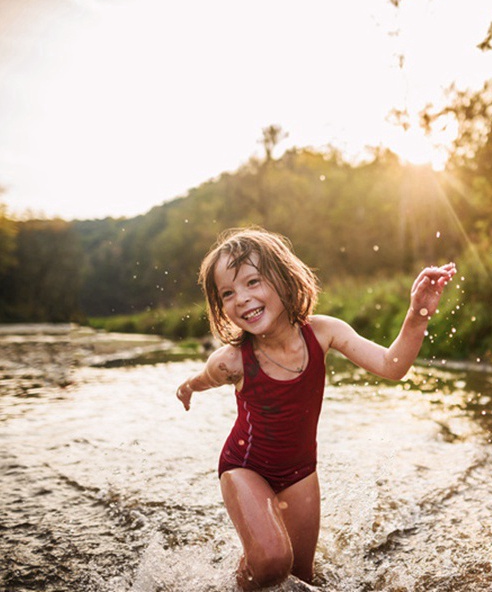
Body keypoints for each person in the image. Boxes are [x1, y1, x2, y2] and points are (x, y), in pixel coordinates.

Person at [176, 227, 456, 590]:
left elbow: (392, 366)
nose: (241, 299)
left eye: (253, 282)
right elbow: (202, 379)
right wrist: (186, 389)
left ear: (284, 277)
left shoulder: (324, 332)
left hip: (300, 474)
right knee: (273, 562)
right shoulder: (232, 361)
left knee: (299, 580)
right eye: (228, 293)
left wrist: (417, 315)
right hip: (243, 468)